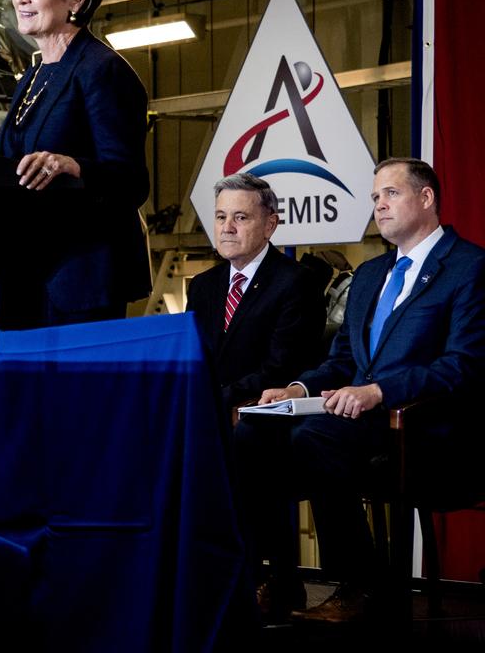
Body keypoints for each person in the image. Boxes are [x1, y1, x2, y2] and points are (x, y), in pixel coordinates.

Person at [233, 158, 485, 623]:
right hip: (359, 421)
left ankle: (364, 587)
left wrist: (378, 391)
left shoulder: (469, 267)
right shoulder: (369, 274)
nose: (379, 206)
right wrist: (296, 387)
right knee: (251, 434)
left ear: (425, 198)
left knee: (314, 440)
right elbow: (344, 360)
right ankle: (277, 577)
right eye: (374, 198)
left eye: (390, 194)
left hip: (424, 428)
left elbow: (462, 365)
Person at [0, 0, 150, 329]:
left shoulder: (102, 70)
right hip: (23, 276)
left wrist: (74, 166)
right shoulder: (30, 79)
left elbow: (131, 182)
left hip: (78, 282)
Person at [187, 172, 323, 411]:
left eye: (240, 217)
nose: (227, 228)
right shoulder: (202, 285)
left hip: (258, 413)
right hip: (202, 409)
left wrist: (211, 400)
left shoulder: (297, 282)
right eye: (221, 217)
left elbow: (281, 369)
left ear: (269, 225)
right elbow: (191, 356)